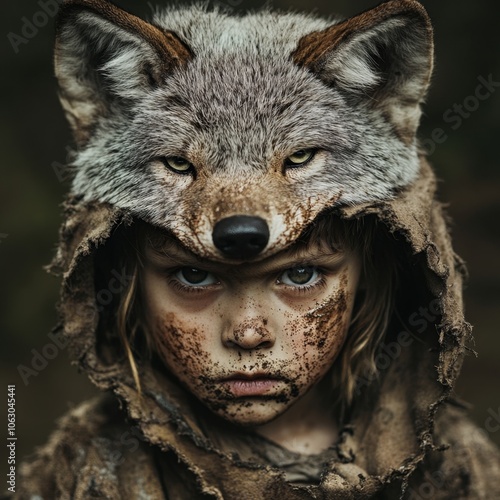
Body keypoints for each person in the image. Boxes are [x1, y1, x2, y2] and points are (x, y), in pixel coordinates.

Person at [10, 0, 500, 498]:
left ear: (371, 274)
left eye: (299, 157)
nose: (240, 220)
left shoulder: (455, 467)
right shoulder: (77, 473)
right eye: (196, 276)